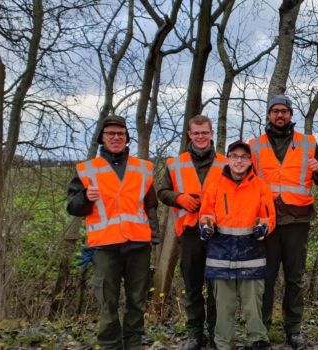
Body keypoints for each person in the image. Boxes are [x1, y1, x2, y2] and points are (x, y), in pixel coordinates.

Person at [67, 115, 159, 350]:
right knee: (107, 303)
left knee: (137, 302)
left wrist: (153, 235)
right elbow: (73, 207)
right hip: (105, 247)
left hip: (139, 245)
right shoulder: (87, 170)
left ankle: (133, 345)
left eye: (121, 134)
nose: (116, 138)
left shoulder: (143, 168)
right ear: (102, 138)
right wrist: (85, 197)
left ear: (127, 137)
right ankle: (110, 345)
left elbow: (150, 206)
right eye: (111, 134)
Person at [249, 95, 318, 348]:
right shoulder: (254, 145)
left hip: (297, 220)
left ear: (291, 115)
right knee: (265, 277)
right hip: (266, 221)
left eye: (284, 111)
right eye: (275, 111)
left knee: (294, 277)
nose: (280, 116)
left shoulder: (308, 143)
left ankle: (293, 328)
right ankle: (261, 329)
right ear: (269, 115)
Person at [199, 140, 276, 350]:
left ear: (250, 161)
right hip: (221, 252)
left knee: (253, 304)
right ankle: (223, 343)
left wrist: (263, 227)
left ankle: (258, 340)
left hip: (252, 250)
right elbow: (206, 212)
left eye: (243, 157)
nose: (239, 161)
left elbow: (269, 216)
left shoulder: (260, 186)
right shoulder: (215, 183)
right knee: (224, 305)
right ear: (228, 159)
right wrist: (206, 225)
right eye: (235, 156)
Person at [158, 115, 226, 350]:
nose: (200, 137)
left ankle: (217, 333)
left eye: (204, 132)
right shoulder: (175, 163)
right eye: (196, 133)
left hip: (219, 233)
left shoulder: (225, 163)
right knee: (194, 286)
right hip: (189, 233)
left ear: (211, 134)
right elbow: (162, 191)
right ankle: (194, 334)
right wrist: (179, 198)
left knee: (218, 287)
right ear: (189, 134)